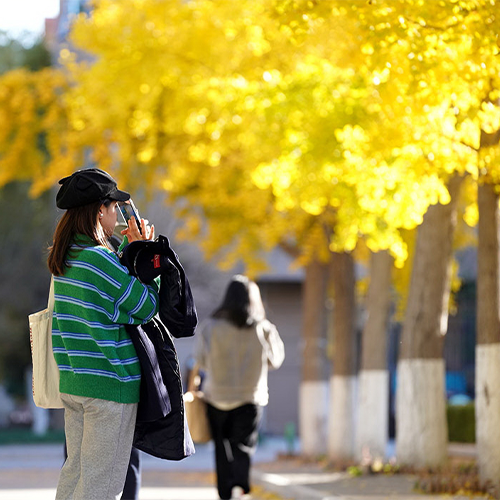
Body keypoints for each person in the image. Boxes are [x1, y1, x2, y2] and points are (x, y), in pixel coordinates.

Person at [48, 168, 158, 500]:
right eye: (114, 208)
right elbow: (145, 305)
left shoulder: (67, 258)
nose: (118, 216)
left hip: (76, 383)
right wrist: (148, 257)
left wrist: (127, 247)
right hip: (109, 386)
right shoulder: (98, 260)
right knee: (101, 487)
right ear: (100, 210)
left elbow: (104, 291)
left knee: (76, 477)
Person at [195, 275, 285, 500]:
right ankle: (240, 488)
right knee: (243, 447)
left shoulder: (210, 327)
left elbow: (201, 361)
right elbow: (276, 360)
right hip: (250, 397)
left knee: (222, 448)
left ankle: (225, 494)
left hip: (216, 397)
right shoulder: (263, 328)